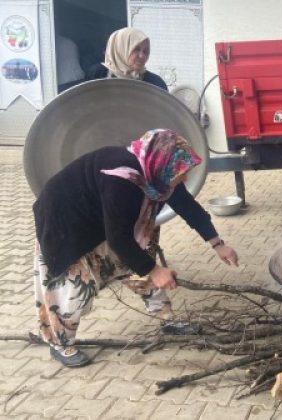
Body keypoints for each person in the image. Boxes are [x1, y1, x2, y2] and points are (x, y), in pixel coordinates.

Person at [33, 129, 239, 368]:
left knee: (142, 256)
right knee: (73, 285)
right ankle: (59, 343)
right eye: (180, 174)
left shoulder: (158, 175)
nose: (183, 179)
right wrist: (154, 270)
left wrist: (218, 244)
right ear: (163, 163)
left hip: (106, 221)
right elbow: (119, 238)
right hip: (66, 223)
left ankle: (166, 319)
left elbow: (186, 206)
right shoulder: (121, 178)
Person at [86, 27, 167, 91]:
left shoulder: (155, 83)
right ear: (120, 48)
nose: (142, 56)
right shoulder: (98, 74)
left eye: (145, 51)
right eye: (136, 49)